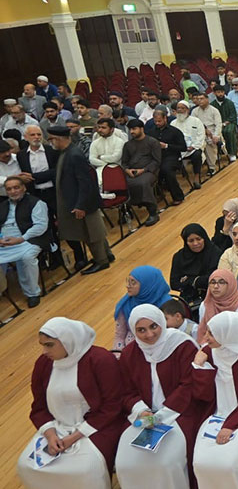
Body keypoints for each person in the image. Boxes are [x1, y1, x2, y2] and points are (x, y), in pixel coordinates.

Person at [18, 318, 123, 489]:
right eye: (42, 345)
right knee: (26, 465)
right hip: (57, 427)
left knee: (86, 468)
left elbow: (112, 406)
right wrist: (51, 435)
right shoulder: (44, 364)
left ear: (67, 340)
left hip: (98, 427)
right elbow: (39, 406)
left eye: (50, 345)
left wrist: (74, 437)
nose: (44, 351)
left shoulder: (100, 359)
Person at [114, 304, 205, 489]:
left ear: (162, 323)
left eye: (153, 326)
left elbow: (189, 385)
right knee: (126, 463)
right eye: (141, 330)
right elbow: (125, 390)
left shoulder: (182, 345)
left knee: (167, 462)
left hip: (180, 413)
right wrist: (141, 411)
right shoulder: (130, 353)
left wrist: (161, 415)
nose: (149, 335)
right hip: (142, 416)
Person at [191, 311, 238, 489]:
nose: (205, 337)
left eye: (211, 333)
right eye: (207, 331)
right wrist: (199, 367)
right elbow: (204, 396)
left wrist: (230, 425)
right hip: (216, 415)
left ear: (228, 334)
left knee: (231, 464)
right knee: (201, 463)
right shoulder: (210, 351)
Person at [49, 126, 113, 274]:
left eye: (51, 139)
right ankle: (107, 255)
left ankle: (101, 261)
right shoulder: (67, 152)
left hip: (84, 202)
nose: (50, 142)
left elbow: (85, 182)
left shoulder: (74, 155)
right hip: (80, 201)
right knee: (92, 232)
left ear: (58, 139)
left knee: (91, 233)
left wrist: (80, 205)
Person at [0, 176, 49, 307]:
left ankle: (32, 293)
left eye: (16, 187)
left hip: (29, 239)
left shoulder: (36, 203)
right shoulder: (3, 206)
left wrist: (20, 239)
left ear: (24, 187)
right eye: (9, 189)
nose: (13, 191)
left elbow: (41, 226)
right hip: (4, 242)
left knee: (26, 258)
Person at [112, 265, 172, 351]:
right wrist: (119, 355)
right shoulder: (125, 304)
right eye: (128, 281)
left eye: (133, 282)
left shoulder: (167, 305)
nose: (128, 286)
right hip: (133, 352)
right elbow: (119, 335)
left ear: (147, 284)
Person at [120, 118, 163, 225]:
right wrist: (127, 170)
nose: (132, 132)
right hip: (132, 172)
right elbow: (124, 162)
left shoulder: (152, 142)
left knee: (143, 183)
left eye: (134, 129)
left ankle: (153, 212)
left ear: (142, 129)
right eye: (130, 129)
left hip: (149, 171)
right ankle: (127, 211)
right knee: (122, 184)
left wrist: (143, 170)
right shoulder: (127, 145)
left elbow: (157, 161)